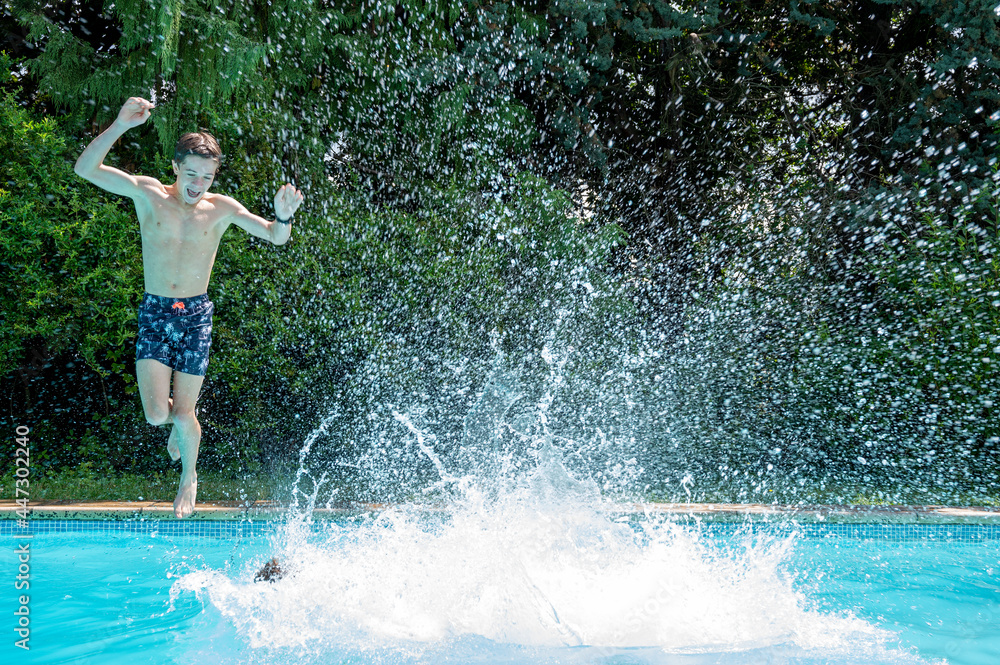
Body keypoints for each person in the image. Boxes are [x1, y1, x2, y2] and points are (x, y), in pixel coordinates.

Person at [74, 97, 304, 518]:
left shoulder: (222, 209)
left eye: (208, 177)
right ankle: (177, 432)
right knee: (156, 414)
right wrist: (121, 125)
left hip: (195, 315)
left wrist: (283, 217)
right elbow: (84, 170)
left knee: (183, 413)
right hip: (156, 313)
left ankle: (189, 476)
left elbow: (274, 236)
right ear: (176, 167)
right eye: (192, 174)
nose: (199, 185)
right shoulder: (148, 193)